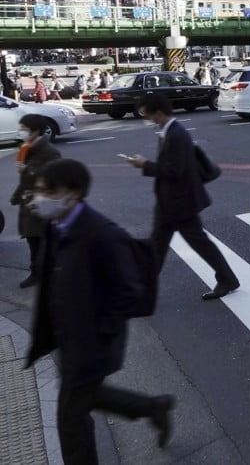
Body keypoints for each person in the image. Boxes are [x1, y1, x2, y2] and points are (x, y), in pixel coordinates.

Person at [25, 159, 176, 463]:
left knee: (71, 421)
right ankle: (153, 407)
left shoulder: (102, 234)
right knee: (88, 399)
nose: (41, 198)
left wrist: (99, 334)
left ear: (75, 192)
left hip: (91, 345)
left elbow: (128, 290)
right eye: (39, 190)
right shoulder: (58, 225)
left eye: (49, 191)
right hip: (70, 337)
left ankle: (153, 407)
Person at [126, 93, 240, 301]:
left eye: (148, 114)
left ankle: (227, 279)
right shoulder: (170, 131)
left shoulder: (176, 134)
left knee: (195, 244)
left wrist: (144, 164)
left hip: (180, 203)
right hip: (171, 202)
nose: (147, 119)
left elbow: (174, 170)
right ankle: (144, 288)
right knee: (159, 245)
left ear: (159, 113)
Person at [9, 115, 61, 288]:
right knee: (33, 238)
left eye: (24, 128)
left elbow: (55, 178)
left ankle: (47, 272)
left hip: (42, 201)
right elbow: (25, 180)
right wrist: (16, 196)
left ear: (35, 130)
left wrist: (28, 170)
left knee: (41, 238)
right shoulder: (28, 148)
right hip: (28, 200)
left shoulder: (49, 151)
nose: (21, 132)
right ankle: (39, 271)